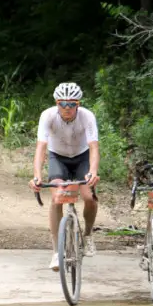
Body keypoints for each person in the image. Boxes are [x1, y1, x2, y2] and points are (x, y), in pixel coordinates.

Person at [29, 82, 100, 271]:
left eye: (71, 104)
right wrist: (37, 176)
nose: (67, 108)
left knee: (89, 198)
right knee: (57, 197)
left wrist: (93, 171)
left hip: (81, 157)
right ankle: (55, 252)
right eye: (62, 104)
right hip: (58, 157)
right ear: (56, 103)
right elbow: (41, 148)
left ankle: (88, 235)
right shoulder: (48, 116)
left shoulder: (87, 117)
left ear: (79, 104)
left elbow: (94, 147)